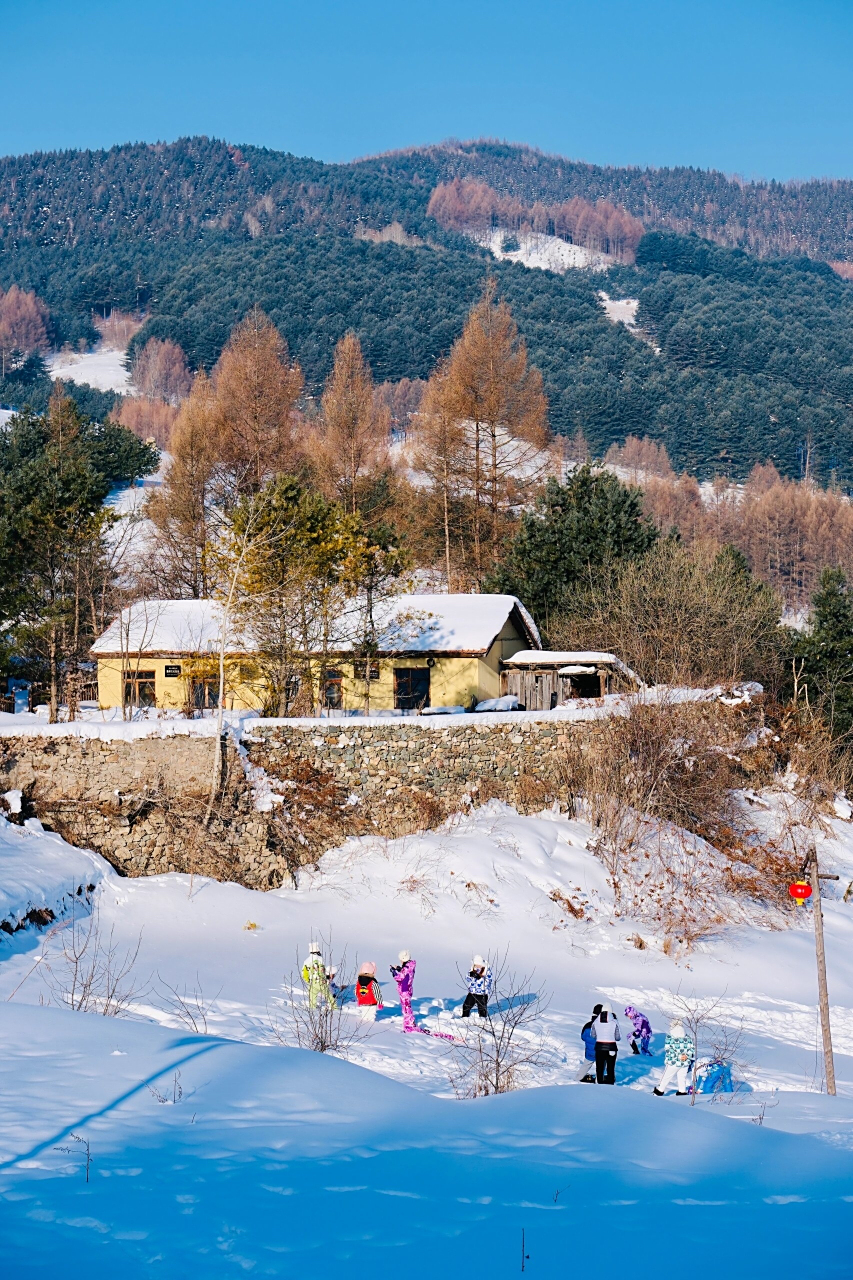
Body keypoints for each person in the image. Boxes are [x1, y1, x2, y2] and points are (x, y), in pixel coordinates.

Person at [654, 1019, 694, 1096]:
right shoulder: (687, 1037)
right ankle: (682, 1092)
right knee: (682, 1077)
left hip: (673, 1062)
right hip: (685, 1062)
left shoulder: (670, 1037)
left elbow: (669, 1049)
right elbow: (692, 1049)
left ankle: (659, 1091)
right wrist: (686, 1056)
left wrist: (679, 1056)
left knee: (666, 1077)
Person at [590, 1003, 620, 1084]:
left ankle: (599, 1084)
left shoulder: (596, 1021)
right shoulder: (614, 1021)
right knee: (610, 1068)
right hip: (611, 1047)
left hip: (599, 1047)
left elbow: (592, 1035)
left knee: (599, 1068)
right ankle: (610, 1084)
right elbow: (618, 1037)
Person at [390, 950, 417, 1032]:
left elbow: (399, 978)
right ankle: (410, 1022)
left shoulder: (406, 968)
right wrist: (399, 969)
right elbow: (405, 974)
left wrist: (393, 972)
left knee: (406, 1008)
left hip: (404, 990)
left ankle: (408, 1025)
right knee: (407, 1006)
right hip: (408, 989)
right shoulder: (410, 966)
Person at [301, 941, 332, 1009]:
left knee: (312, 999)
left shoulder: (307, 961)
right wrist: (326, 979)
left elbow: (304, 973)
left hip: (313, 982)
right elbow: (325, 971)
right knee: (329, 996)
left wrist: (308, 980)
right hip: (322, 981)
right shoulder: (321, 959)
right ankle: (335, 1007)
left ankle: (313, 1010)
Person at [578, 1003, 603, 1082]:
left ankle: (578, 1078)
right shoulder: (603, 1026)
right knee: (601, 1066)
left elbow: (583, 1037)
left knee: (586, 1065)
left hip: (589, 1051)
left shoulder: (587, 1025)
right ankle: (599, 1080)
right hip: (601, 1051)